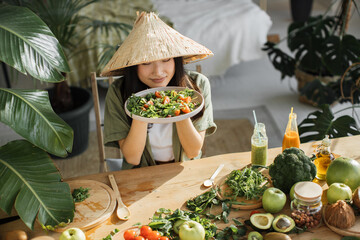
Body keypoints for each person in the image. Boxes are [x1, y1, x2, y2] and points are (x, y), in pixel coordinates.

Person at [101, 12, 217, 170]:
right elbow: (132, 158)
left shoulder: (198, 84)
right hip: (140, 173)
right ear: (133, 65)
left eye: (166, 59)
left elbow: (193, 151)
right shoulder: (118, 92)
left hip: (184, 169)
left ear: (176, 59)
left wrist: (177, 102)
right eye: (146, 62)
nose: (158, 72)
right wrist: (141, 106)